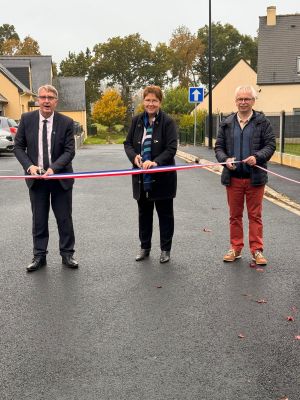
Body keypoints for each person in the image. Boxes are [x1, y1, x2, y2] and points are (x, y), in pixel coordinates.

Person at [14, 84, 79, 272]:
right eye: (43, 97)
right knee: (39, 219)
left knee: (64, 218)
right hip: (37, 180)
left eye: (50, 97)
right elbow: (18, 147)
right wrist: (29, 166)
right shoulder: (27, 120)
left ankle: (67, 254)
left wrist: (54, 168)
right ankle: (39, 256)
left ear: (56, 102)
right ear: (38, 100)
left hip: (60, 179)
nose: (46, 101)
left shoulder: (66, 122)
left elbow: (69, 151)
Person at [215, 85, 276, 265]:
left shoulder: (262, 122)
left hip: (255, 179)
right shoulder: (226, 123)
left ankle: (257, 250)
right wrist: (225, 160)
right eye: (240, 99)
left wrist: (257, 157)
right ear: (235, 101)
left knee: (255, 216)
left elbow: (270, 145)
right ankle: (235, 248)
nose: (243, 102)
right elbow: (219, 147)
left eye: (247, 99)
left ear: (253, 101)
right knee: (235, 216)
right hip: (233, 178)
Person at [124, 85, 177, 263]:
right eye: (147, 100)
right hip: (141, 178)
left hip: (162, 178)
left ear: (160, 102)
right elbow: (128, 144)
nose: (151, 104)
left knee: (165, 215)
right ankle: (144, 247)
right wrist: (134, 158)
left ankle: (165, 250)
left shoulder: (168, 122)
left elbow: (171, 148)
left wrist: (156, 162)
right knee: (144, 214)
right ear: (143, 101)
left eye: (154, 100)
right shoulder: (136, 121)